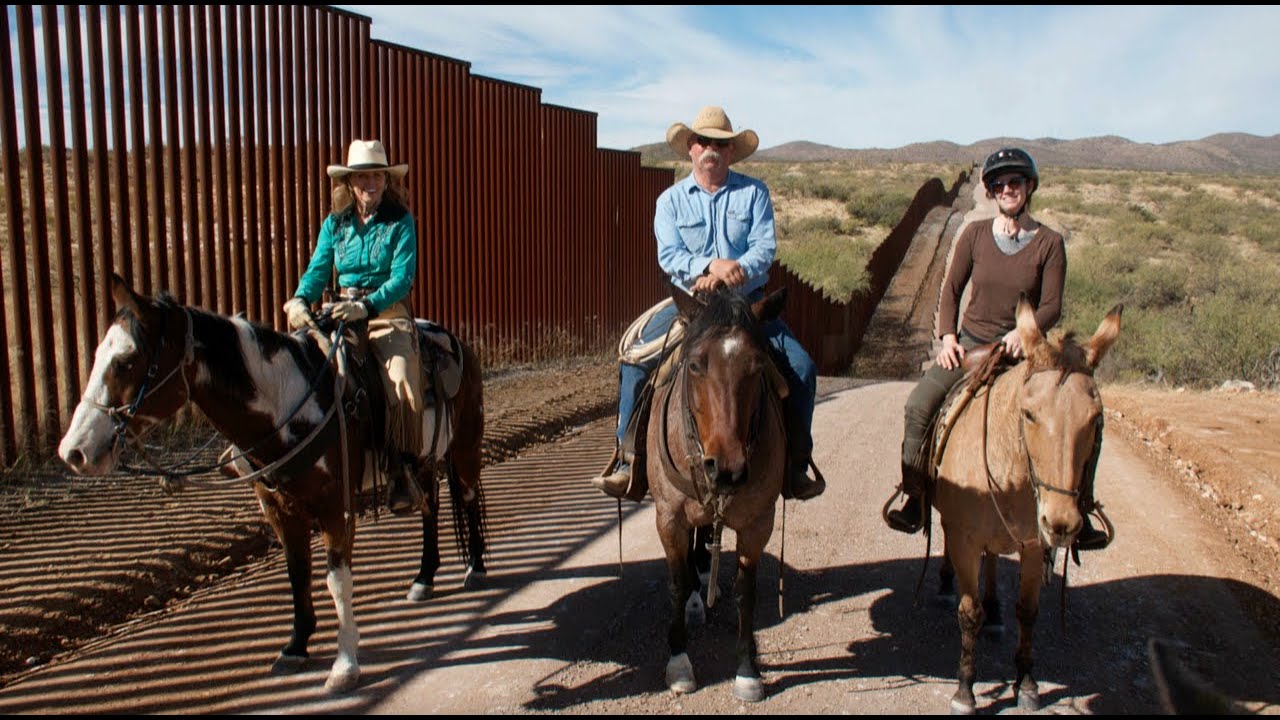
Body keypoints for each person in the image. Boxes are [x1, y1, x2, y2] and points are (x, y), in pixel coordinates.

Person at [591, 105, 824, 502]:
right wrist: (709, 266)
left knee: (801, 368)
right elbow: (670, 255)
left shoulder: (754, 193)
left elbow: (764, 248)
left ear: (731, 151)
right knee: (634, 361)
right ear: (691, 149)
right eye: (704, 142)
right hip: (693, 305)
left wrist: (737, 270)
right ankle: (628, 461)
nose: (711, 148)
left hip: (746, 303)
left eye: (720, 143)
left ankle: (796, 464)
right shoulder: (671, 201)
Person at [884, 147, 1110, 550]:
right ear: (990, 191)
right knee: (919, 405)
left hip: (1028, 352)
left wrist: (1026, 334)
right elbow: (951, 289)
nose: (1008, 189)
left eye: (1015, 183)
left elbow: (1052, 304)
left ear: (1029, 188)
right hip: (971, 345)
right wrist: (948, 338)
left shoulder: (1049, 243)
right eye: (1000, 184)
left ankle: (1084, 506)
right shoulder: (973, 235)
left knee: (1082, 416)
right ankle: (915, 495)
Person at [283, 139, 425, 515]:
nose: (370, 183)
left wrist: (366, 305)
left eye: (376, 175)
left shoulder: (400, 220)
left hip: (385, 312)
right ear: (349, 183)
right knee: (298, 366)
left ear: (386, 180)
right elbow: (317, 270)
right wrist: (299, 298)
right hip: (340, 310)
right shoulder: (336, 224)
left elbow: (402, 278)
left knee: (403, 380)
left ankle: (402, 468)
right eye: (362, 177)